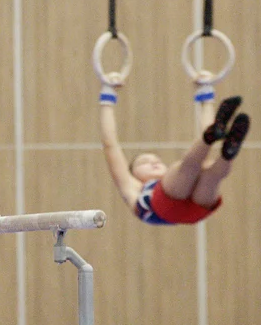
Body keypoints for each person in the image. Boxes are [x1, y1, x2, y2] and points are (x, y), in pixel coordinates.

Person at [98, 73, 250, 225]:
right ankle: (212, 139)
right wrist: (107, 98)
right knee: (188, 166)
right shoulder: (132, 186)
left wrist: (207, 96)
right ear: (133, 174)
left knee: (210, 172)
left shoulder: (171, 179)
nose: (153, 163)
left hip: (197, 208)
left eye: (156, 160)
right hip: (165, 206)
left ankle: (227, 152)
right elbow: (110, 144)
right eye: (144, 162)